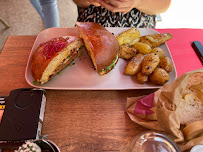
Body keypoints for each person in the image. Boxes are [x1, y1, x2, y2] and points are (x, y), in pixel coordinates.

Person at [73, 0, 171, 28]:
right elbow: (78, 1)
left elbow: (164, 4)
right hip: (90, 27)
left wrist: (138, 2)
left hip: (140, 32)